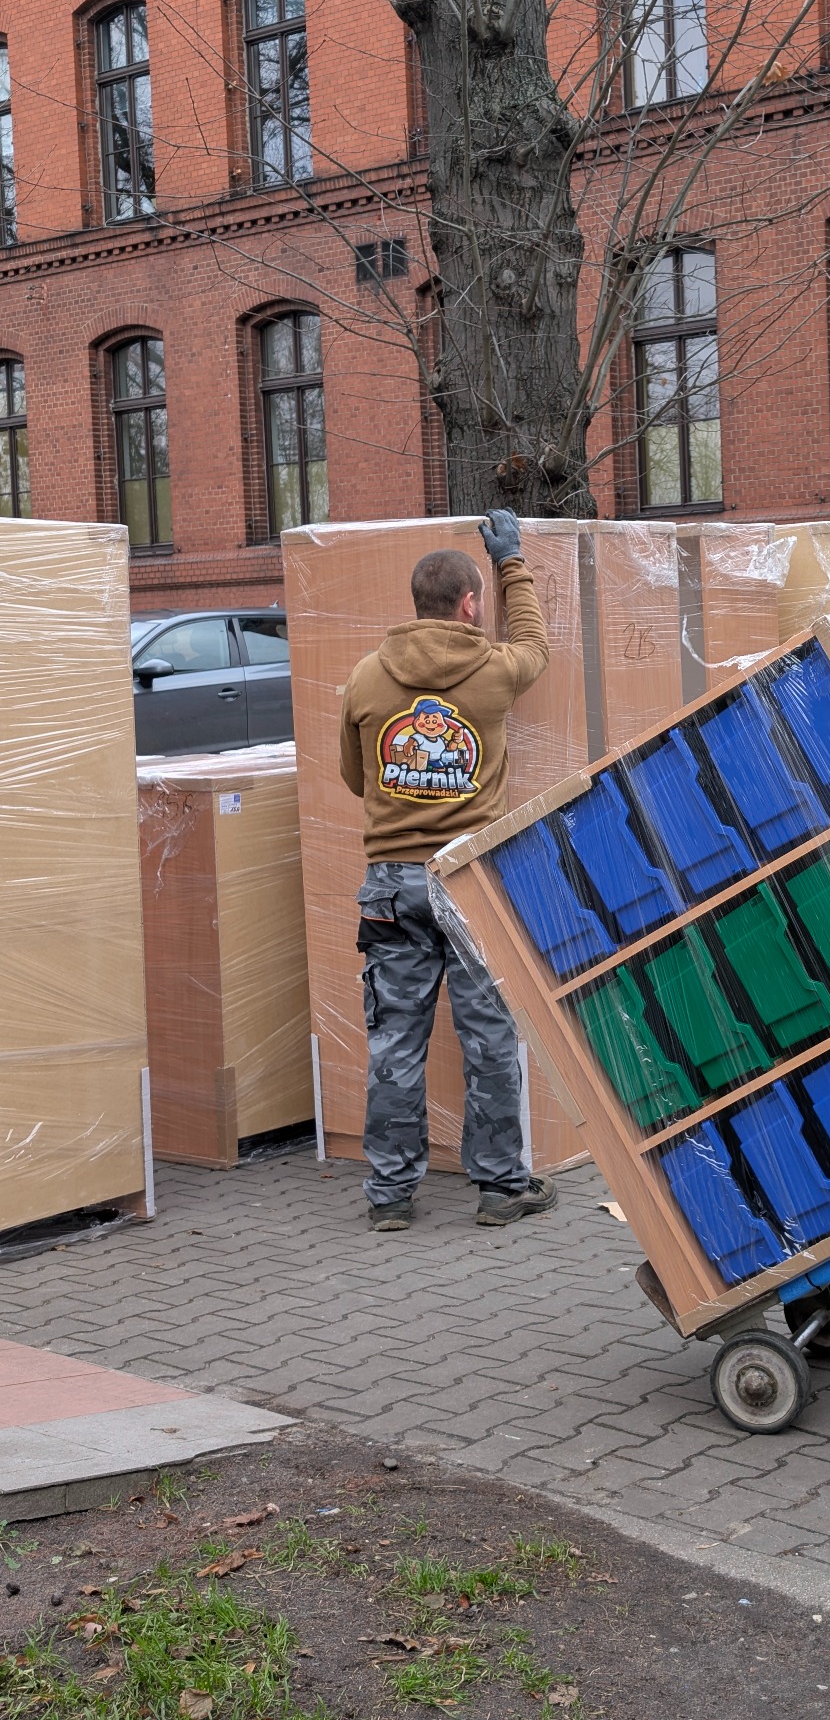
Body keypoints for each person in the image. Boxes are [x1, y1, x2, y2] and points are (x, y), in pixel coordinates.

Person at [340, 510, 556, 1232]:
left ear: (415, 603)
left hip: (391, 885)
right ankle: (501, 1188)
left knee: (396, 1040)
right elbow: (534, 644)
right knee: (488, 1033)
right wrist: (512, 562)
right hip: (467, 878)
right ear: (470, 604)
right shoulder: (491, 672)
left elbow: (353, 777)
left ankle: (391, 1198)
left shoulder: (368, 678)